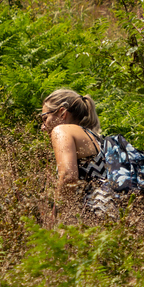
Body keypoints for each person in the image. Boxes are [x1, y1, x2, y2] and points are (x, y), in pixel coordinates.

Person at [39, 89, 116, 221]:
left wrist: (56, 217)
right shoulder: (95, 137)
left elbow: (68, 177)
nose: (42, 126)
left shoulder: (61, 130)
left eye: (45, 118)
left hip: (92, 216)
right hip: (111, 212)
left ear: (62, 113)